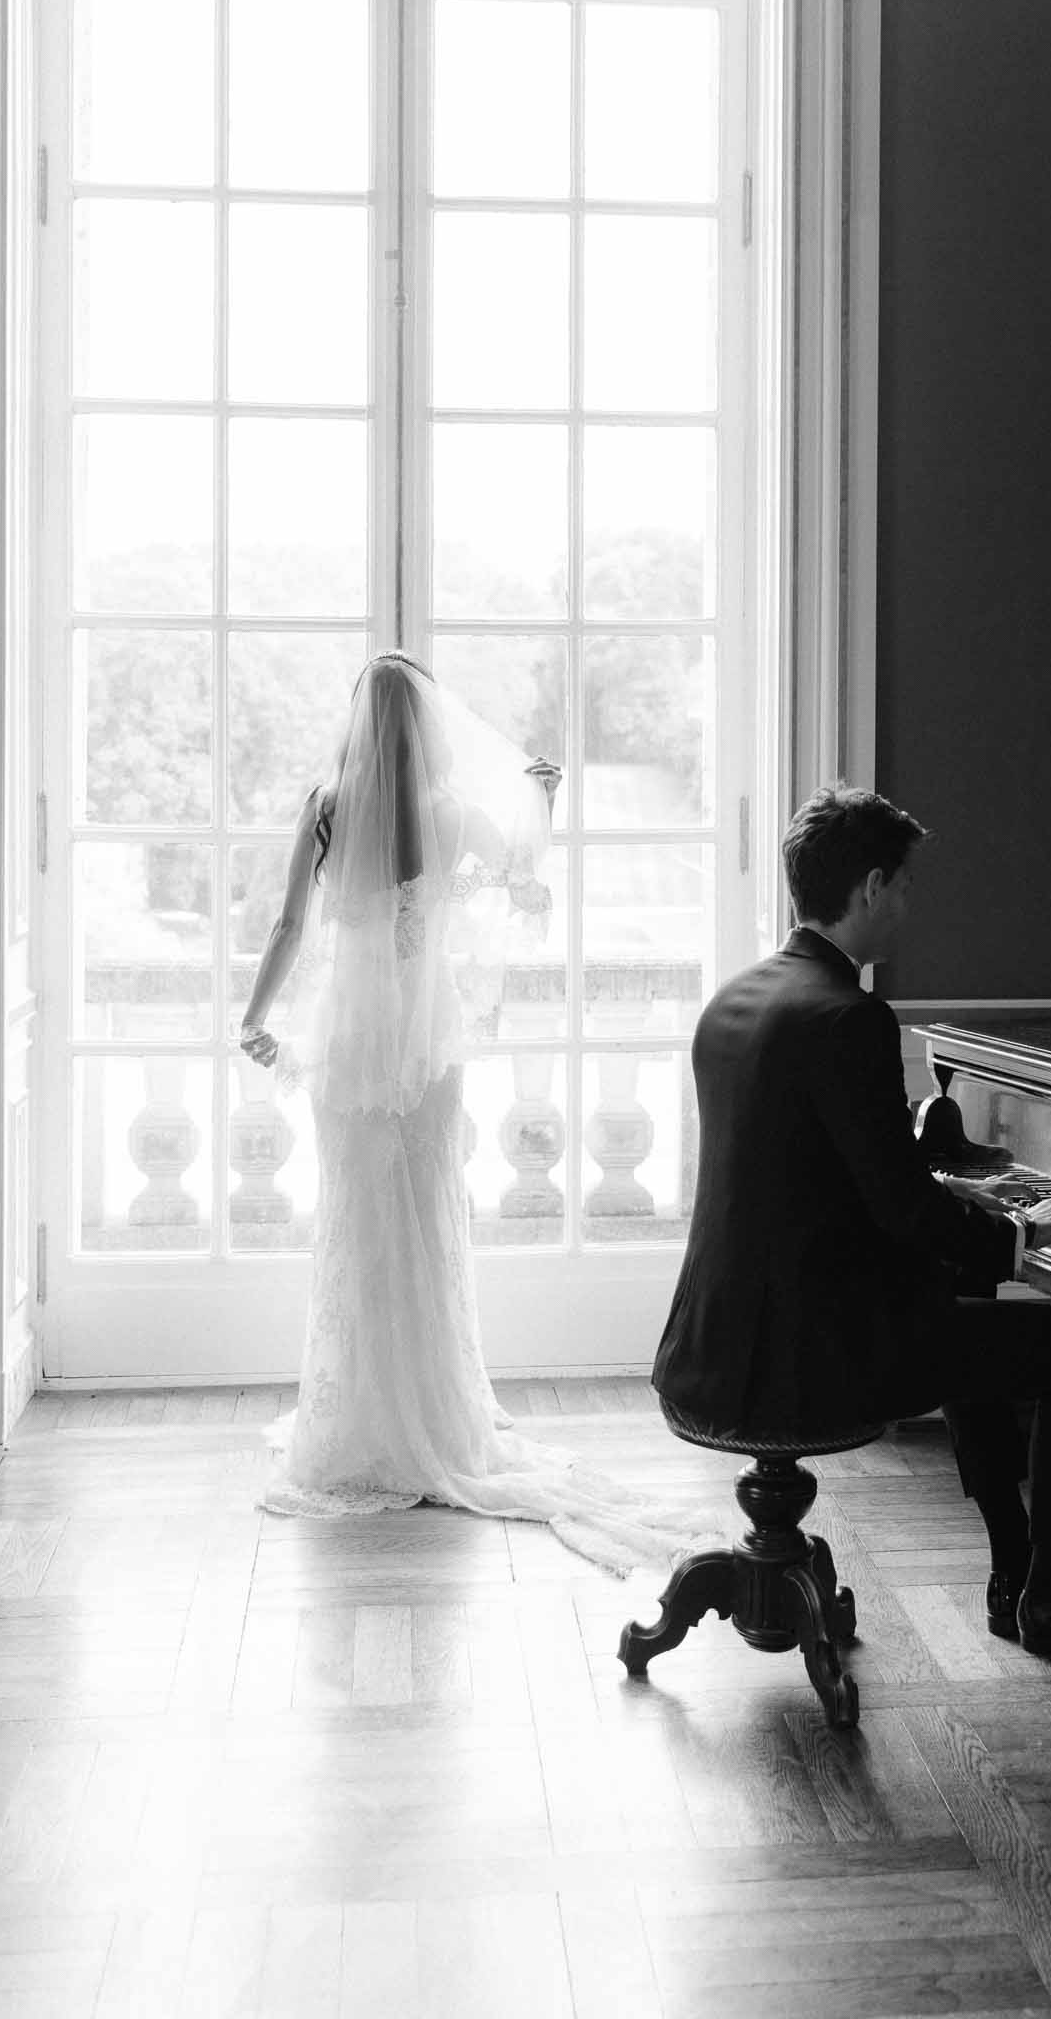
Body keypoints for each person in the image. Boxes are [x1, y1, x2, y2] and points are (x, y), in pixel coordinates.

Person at [653, 783, 1051, 1653]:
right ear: (870, 886)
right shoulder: (849, 1018)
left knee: (957, 1303)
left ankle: (1016, 1570)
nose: (908, 905)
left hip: (712, 1344)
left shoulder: (739, 997)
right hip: (809, 1360)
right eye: (904, 885)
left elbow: (841, 1187)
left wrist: (976, 1220)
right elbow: (902, 1207)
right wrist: (1018, 1233)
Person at [239, 651, 717, 1575]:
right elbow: (522, 867)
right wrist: (546, 795)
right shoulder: (449, 811)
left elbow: (288, 926)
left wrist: (254, 1016)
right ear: (425, 727)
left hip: (348, 1041)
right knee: (424, 1218)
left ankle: (357, 1420)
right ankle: (434, 1409)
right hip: (426, 1048)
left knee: (356, 1221)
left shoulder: (326, 803)